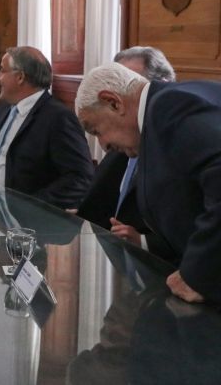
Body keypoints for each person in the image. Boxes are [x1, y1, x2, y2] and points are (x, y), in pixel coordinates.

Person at [76, 62, 221, 303]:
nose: (103, 145)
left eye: (96, 130)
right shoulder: (166, 109)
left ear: (113, 102)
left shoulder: (171, 106)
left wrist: (197, 274)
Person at [0, 46, 93, 209]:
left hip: (23, 224)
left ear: (20, 77)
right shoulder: (6, 106)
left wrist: (29, 205)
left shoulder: (58, 118)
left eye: (2, 71)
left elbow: (80, 178)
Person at [77, 47, 174, 256]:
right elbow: (99, 201)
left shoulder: (174, 141)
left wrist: (145, 242)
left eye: (130, 83)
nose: (103, 145)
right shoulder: (123, 142)